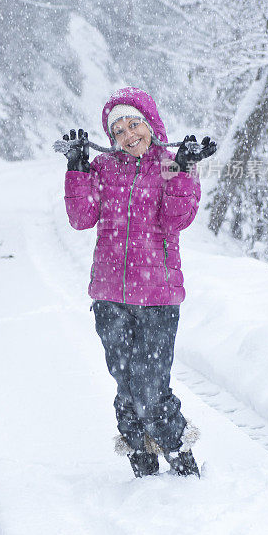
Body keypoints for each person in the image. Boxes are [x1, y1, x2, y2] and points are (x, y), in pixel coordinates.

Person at [62, 87, 216, 478]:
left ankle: (181, 457)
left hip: (158, 295)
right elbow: (81, 218)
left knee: (150, 387)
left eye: (135, 124)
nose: (130, 136)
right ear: (110, 138)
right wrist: (77, 167)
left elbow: (175, 220)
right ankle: (142, 464)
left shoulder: (169, 162)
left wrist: (183, 170)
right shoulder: (103, 167)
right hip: (110, 296)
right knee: (127, 384)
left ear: (150, 124)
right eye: (120, 131)